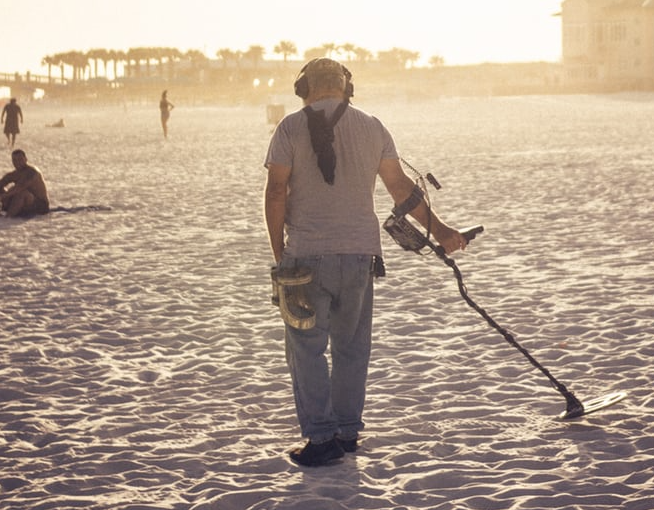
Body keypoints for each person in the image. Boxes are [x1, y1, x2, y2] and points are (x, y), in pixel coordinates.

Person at [264, 58, 468, 467]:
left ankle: (322, 440)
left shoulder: (289, 127)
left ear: (304, 88)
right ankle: (347, 431)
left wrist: (278, 253)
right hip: (359, 256)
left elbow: (275, 193)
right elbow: (401, 189)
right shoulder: (372, 126)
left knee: (306, 349)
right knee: (352, 347)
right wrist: (442, 230)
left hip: (305, 255)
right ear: (347, 88)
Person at [0, 149, 50, 218]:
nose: (17, 162)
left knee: (21, 193)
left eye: (20, 159)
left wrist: (2, 196)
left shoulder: (32, 172)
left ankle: (8, 217)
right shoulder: (14, 174)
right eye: (15, 160)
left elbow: (20, 187)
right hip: (23, 205)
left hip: (40, 206)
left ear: (26, 159)